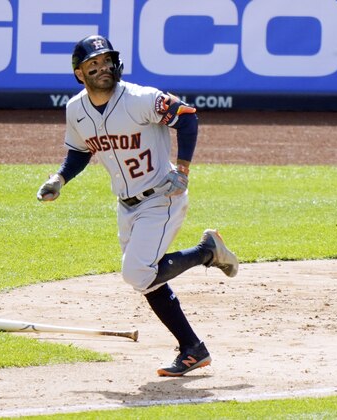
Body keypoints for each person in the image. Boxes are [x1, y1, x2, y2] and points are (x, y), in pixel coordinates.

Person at [37, 35, 239, 377]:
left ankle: (207, 251)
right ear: (79, 74)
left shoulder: (141, 98)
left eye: (107, 61)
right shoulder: (76, 109)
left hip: (162, 197)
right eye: (93, 65)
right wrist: (59, 179)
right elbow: (80, 151)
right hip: (126, 206)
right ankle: (193, 349)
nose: (103, 68)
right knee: (148, 279)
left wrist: (184, 170)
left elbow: (187, 117)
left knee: (137, 272)